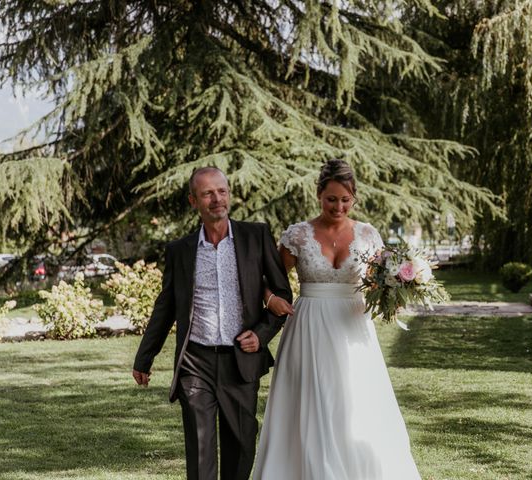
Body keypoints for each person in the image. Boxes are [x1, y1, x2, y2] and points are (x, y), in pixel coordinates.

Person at [253, 159, 421, 479]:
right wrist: (271, 299)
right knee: (311, 402)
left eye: (346, 200)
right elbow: (264, 277)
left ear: (354, 198)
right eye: (331, 199)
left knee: (354, 401)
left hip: (352, 327)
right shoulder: (298, 235)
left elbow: (377, 280)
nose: (338, 206)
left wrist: (395, 290)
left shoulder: (368, 234)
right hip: (308, 326)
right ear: (318, 194)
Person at [132, 167, 292, 480]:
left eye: (221, 191)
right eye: (207, 193)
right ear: (194, 201)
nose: (216, 198)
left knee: (241, 444)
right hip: (195, 361)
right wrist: (144, 357)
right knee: (201, 448)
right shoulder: (180, 251)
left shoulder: (256, 236)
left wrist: (261, 335)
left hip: (240, 360)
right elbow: (165, 307)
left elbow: (282, 293)